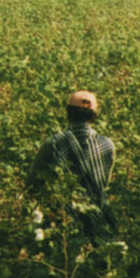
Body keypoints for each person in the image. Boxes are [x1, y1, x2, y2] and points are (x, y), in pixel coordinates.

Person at [29, 90, 116, 240]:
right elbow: (104, 184)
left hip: (63, 220)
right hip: (98, 218)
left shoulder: (54, 143)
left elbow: (33, 184)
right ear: (94, 115)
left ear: (68, 113)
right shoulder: (108, 145)